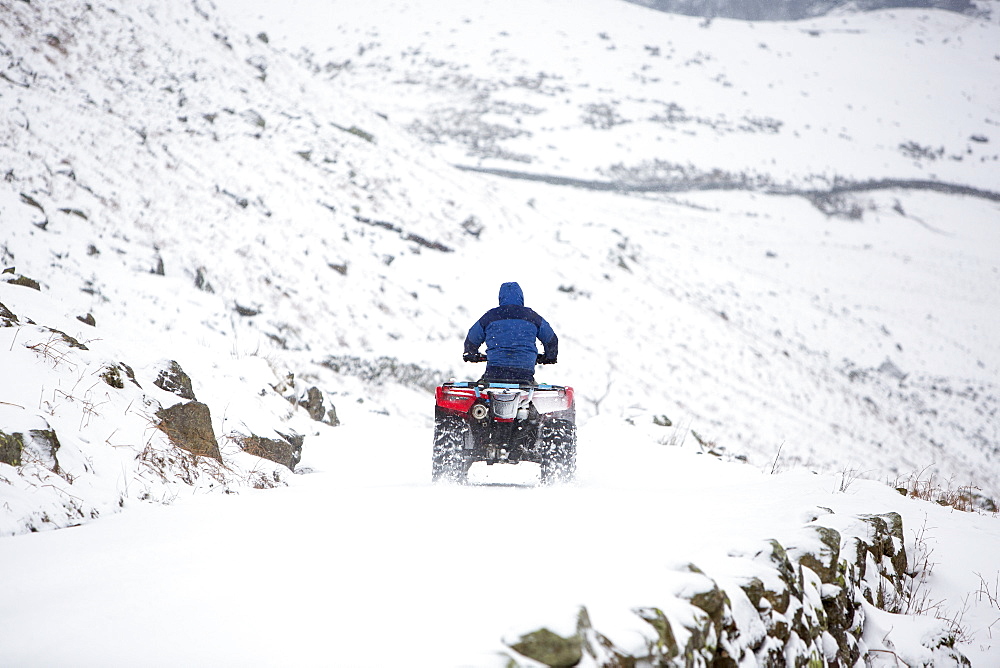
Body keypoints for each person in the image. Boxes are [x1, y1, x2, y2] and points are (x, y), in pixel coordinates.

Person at [464, 281, 558, 384]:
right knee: (531, 393)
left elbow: (472, 338)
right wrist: (550, 357)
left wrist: (471, 354)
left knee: (482, 391)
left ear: (501, 298)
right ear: (521, 297)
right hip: (524, 374)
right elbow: (551, 339)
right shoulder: (532, 316)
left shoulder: (490, 316)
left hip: (495, 372)